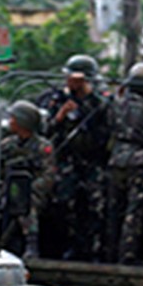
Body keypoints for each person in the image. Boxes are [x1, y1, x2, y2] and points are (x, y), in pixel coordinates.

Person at [43, 54, 111, 261]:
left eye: (74, 78)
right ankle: (68, 247)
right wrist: (60, 116)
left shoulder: (100, 103)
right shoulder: (58, 99)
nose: (68, 82)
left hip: (92, 163)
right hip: (67, 162)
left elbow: (106, 134)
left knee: (94, 208)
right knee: (65, 205)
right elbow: (46, 131)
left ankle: (91, 250)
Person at [106, 62, 143, 264]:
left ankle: (108, 254)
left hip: (115, 159)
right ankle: (126, 257)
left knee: (113, 211)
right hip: (138, 163)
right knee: (133, 214)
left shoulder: (116, 104)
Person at [0, 100, 55, 259]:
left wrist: (30, 189)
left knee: (25, 205)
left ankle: (31, 245)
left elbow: (48, 175)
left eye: (13, 118)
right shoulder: (8, 145)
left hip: (32, 192)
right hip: (9, 188)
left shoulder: (42, 147)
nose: (10, 122)